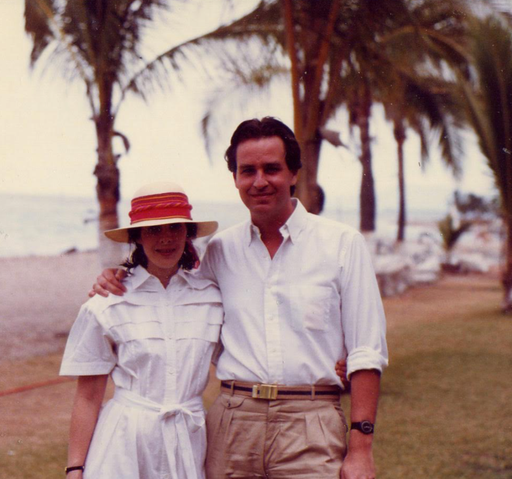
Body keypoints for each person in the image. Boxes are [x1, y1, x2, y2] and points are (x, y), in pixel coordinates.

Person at [92, 117, 388, 479]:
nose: (260, 181)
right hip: (233, 421)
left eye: (272, 169)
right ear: (235, 178)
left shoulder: (342, 244)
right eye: (248, 170)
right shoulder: (219, 250)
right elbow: (174, 293)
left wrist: (361, 448)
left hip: (312, 420)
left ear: (294, 173)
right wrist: (121, 274)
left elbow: (366, 350)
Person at [60, 182, 222, 479]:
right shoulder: (108, 303)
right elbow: (87, 395)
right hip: (125, 443)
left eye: (174, 227)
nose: (166, 239)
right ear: (136, 237)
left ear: (189, 233)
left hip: (189, 438)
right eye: (153, 230)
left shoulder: (211, 298)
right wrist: (75, 468)